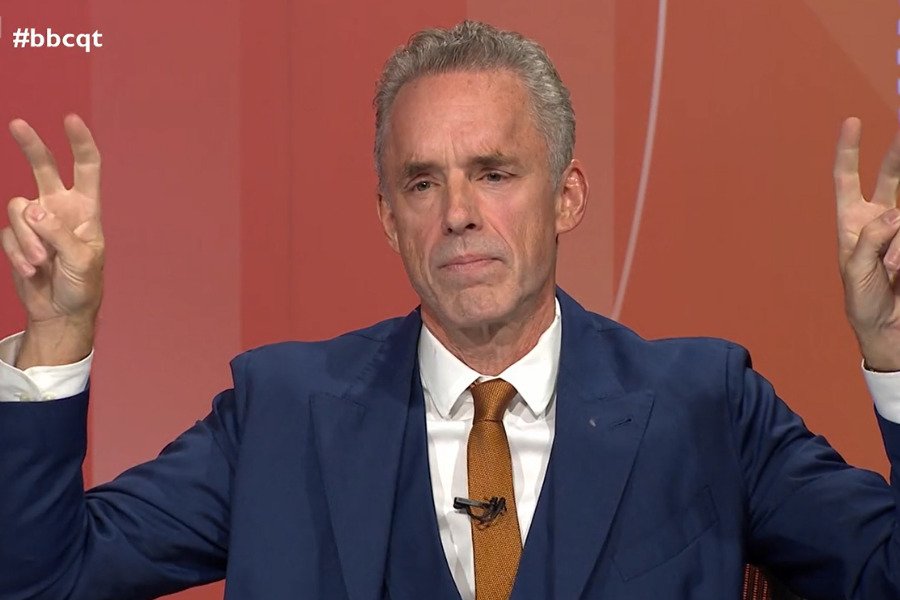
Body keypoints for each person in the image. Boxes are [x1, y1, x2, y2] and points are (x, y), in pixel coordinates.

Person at [1, 20, 900, 600]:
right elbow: (44, 581)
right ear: (389, 218)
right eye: (422, 182)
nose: (459, 213)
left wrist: (893, 350)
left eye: (495, 173)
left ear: (567, 198)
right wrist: (58, 334)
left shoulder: (707, 404)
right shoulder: (278, 411)